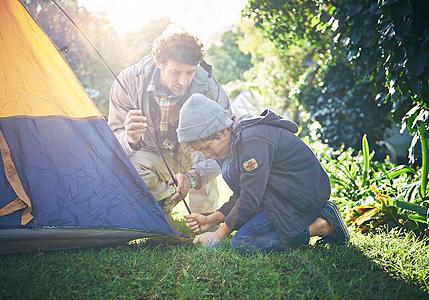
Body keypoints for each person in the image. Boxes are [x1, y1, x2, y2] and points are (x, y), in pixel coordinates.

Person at [176, 93, 350, 255]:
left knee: (243, 243)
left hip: (302, 197)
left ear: (222, 131)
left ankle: (324, 224)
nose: (207, 155)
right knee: (242, 232)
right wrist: (212, 219)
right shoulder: (230, 145)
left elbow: (249, 200)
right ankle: (312, 223)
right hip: (276, 195)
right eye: (201, 150)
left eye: (206, 147)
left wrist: (218, 235)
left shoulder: (251, 141)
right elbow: (244, 193)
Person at [108, 31, 231, 215]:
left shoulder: (209, 87)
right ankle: (166, 199)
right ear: (159, 63)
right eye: (175, 72)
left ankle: (204, 219)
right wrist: (130, 138)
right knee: (128, 164)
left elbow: (226, 143)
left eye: (190, 72)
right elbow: (113, 137)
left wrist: (193, 175)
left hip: (193, 153)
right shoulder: (127, 82)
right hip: (152, 154)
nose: (183, 81)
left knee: (209, 153)